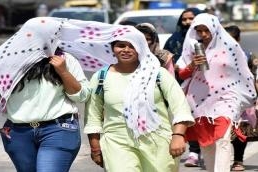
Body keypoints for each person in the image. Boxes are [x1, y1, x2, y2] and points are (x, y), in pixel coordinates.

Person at [0, 17, 91, 172]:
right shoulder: (8, 62)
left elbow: (82, 96)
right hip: (18, 133)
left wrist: (63, 72)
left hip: (58, 129)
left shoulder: (65, 60)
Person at [83, 23, 195, 171]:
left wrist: (178, 135)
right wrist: (95, 147)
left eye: (132, 46)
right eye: (121, 45)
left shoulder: (158, 74)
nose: (126, 50)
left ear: (141, 47)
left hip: (158, 141)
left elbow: (180, 107)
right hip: (117, 142)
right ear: (113, 48)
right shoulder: (101, 77)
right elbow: (93, 114)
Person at [176, 13, 256, 172]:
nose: (204, 34)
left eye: (206, 30)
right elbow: (182, 75)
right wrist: (192, 65)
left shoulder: (232, 47)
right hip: (200, 100)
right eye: (199, 31)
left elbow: (242, 73)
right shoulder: (193, 48)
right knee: (207, 141)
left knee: (223, 139)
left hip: (227, 99)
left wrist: (249, 95)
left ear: (215, 28)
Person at [163, 7, 203, 167]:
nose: (187, 22)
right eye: (184, 19)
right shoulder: (175, 39)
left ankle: (208, 149)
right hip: (182, 83)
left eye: (191, 18)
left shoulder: (208, 38)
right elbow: (165, 57)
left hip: (210, 85)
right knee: (189, 116)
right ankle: (193, 152)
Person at [225, 25, 258, 171]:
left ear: (238, 39)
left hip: (243, 98)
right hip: (222, 97)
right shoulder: (214, 55)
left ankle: (238, 160)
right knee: (223, 129)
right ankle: (221, 159)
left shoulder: (249, 56)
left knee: (241, 129)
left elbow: (255, 78)